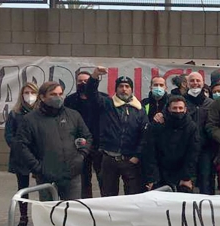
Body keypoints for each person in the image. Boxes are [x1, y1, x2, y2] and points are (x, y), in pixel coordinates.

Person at [15, 81, 91, 226]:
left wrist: (81, 156)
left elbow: (87, 137)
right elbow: (21, 146)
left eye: (60, 94)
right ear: (42, 97)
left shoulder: (73, 115)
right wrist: (38, 167)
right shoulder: (30, 120)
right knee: (49, 218)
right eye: (53, 95)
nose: (58, 98)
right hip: (46, 178)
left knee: (73, 216)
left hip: (72, 175)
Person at [86, 67, 149, 197]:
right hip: (109, 159)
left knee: (132, 196)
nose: (124, 89)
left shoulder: (140, 110)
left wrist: (137, 156)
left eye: (127, 86)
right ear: (116, 89)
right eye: (121, 86)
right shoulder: (107, 103)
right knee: (108, 196)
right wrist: (94, 77)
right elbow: (91, 94)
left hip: (130, 160)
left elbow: (144, 135)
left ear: (132, 89)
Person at [142, 96, 199, 193]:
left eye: (180, 108)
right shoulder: (157, 125)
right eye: (174, 108)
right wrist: (153, 178)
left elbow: (193, 154)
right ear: (168, 109)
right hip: (160, 174)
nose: (178, 111)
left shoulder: (192, 127)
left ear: (185, 109)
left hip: (182, 175)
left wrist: (186, 177)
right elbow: (150, 152)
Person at [64, 71, 105, 198]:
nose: (83, 83)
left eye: (86, 81)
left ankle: (105, 206)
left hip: (99, 145)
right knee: (83, 180)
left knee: (103, 179)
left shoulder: (103, 99)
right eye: (80, 81)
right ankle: (86, 205)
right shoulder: (70, 100)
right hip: (79, 145)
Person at [5, 82, 38, 226]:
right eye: (26, 92)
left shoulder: (41, 112)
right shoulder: (15, 113)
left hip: (39, 155)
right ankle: (23, 217)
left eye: (32, 92)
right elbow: (9, 135)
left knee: (45, 186)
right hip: (21, 156)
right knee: (23, 187)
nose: (29, 96)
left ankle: (46, 216)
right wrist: (20, 149)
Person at [183, 72, 216, 195]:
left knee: (206, 182)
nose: (195, 83)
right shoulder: (181, 102)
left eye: (198, 80)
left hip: (206, 150)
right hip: (186, 149)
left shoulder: (211, 103)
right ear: (187, 84)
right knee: (186, 182)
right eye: (192, 80)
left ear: (203, 83)